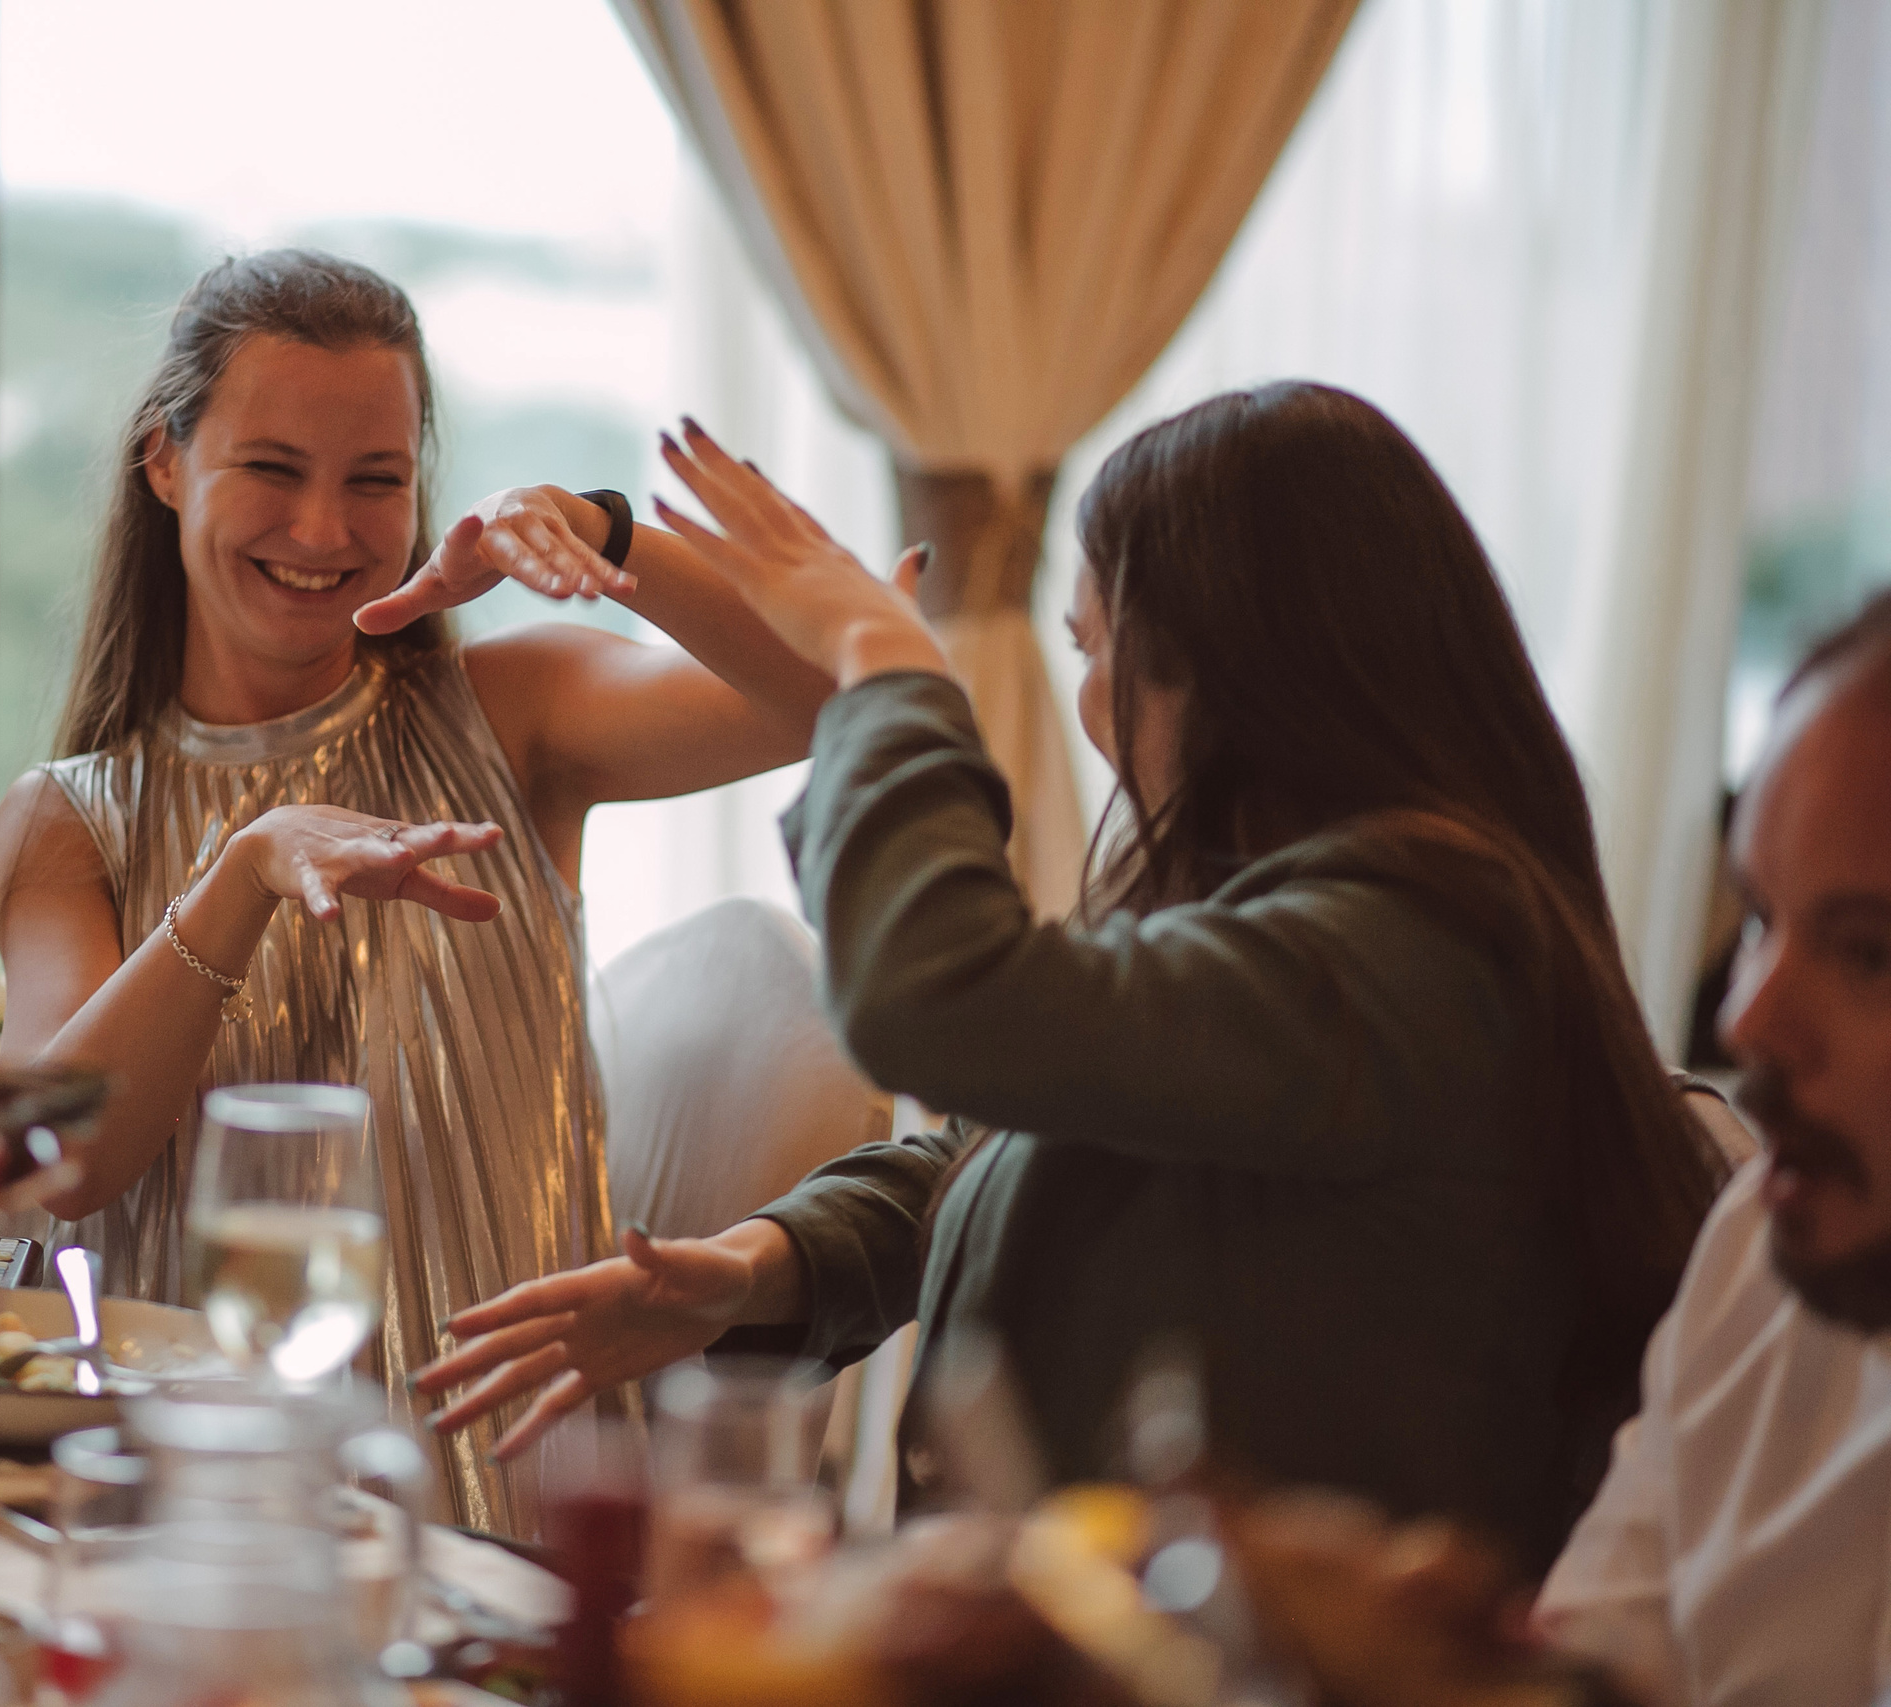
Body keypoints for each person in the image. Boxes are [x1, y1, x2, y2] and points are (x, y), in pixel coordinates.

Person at [414, 386, 1727, 1572]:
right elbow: (1028, 1127)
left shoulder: (1414, 948)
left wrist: (890, 664)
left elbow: (937, 999)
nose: (1088, 708)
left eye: (1098, 648)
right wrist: (755, 1266)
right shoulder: (1321, 921)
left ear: (1233, 663)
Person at [0, 250, 829, 1534]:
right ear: (164, 462)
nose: (323, 531)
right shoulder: (68, 818)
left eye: (374, 482)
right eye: (272, 470)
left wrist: (606, 530)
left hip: (502, 1535)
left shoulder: (514, 716)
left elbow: (825, 694)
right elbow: (59, 1164)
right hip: (195, 1535)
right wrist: (244, 873)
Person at [1528, 590, 1891, 1704]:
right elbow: (1582, 1669)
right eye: (1754, 921)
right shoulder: (1759, 1249)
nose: (1746, 1021)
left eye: (1868, 956)